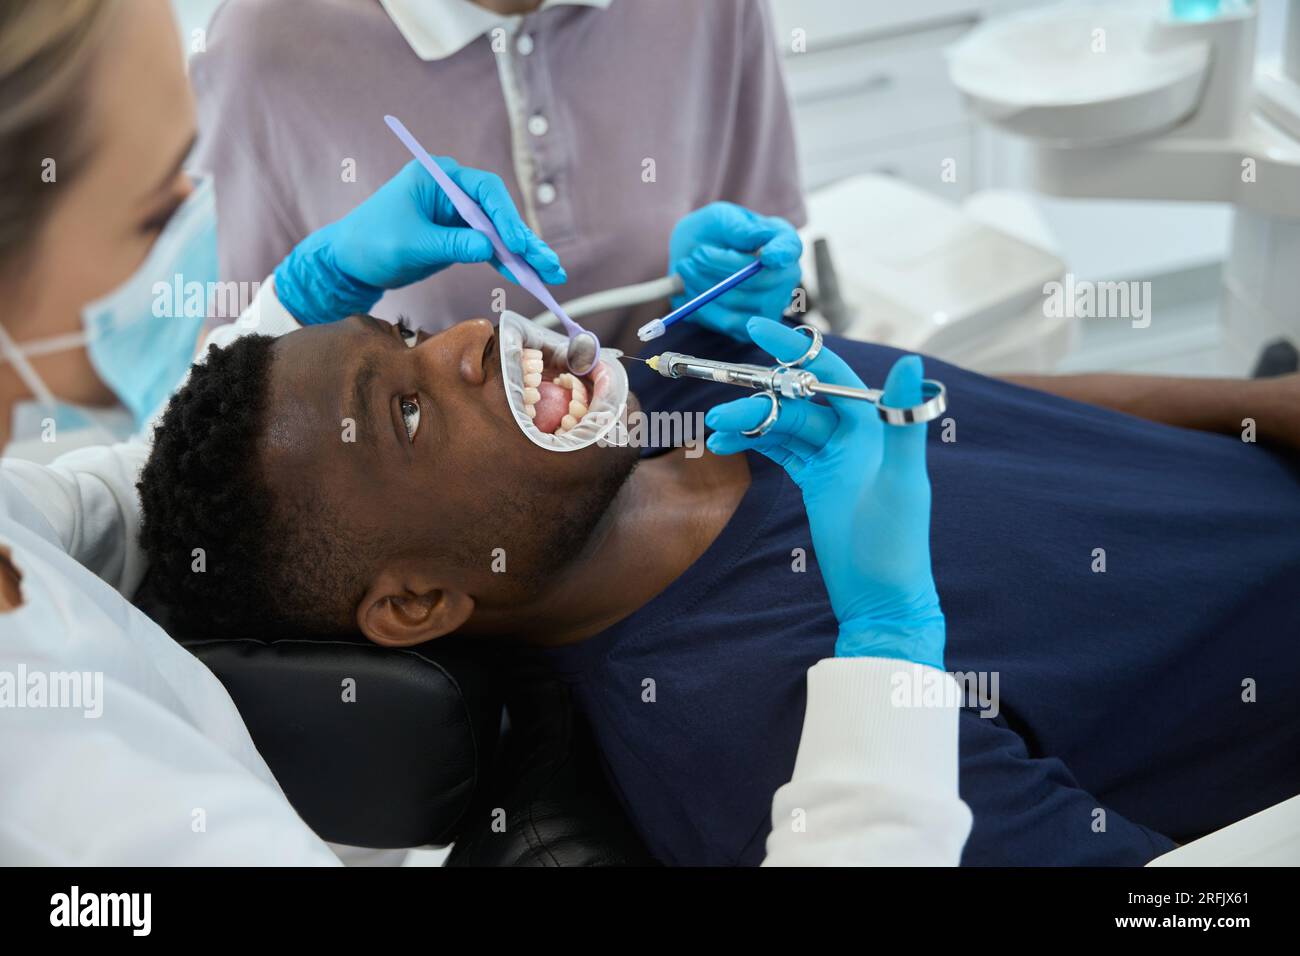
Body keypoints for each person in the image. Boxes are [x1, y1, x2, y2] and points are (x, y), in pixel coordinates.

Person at [137, 299, 1300, 866]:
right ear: (417, 603)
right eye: (401, 408)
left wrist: (1274, 407)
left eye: (404, 331)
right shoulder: (782, 755)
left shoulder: (686, 375)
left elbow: (1007, 408)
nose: (463, 344)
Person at [0, 0, 560, 864]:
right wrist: (856, 682)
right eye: (154, 212)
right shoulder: (70, 792)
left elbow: (128, 497)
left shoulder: (17, 520)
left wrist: (302, 297)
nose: (476, 336)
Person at [189, 0, 806, 348]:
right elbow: (244, 374)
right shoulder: (266, 41)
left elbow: (778, 273)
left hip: (694, 436)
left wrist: (749, 292)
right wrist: (315, 289)